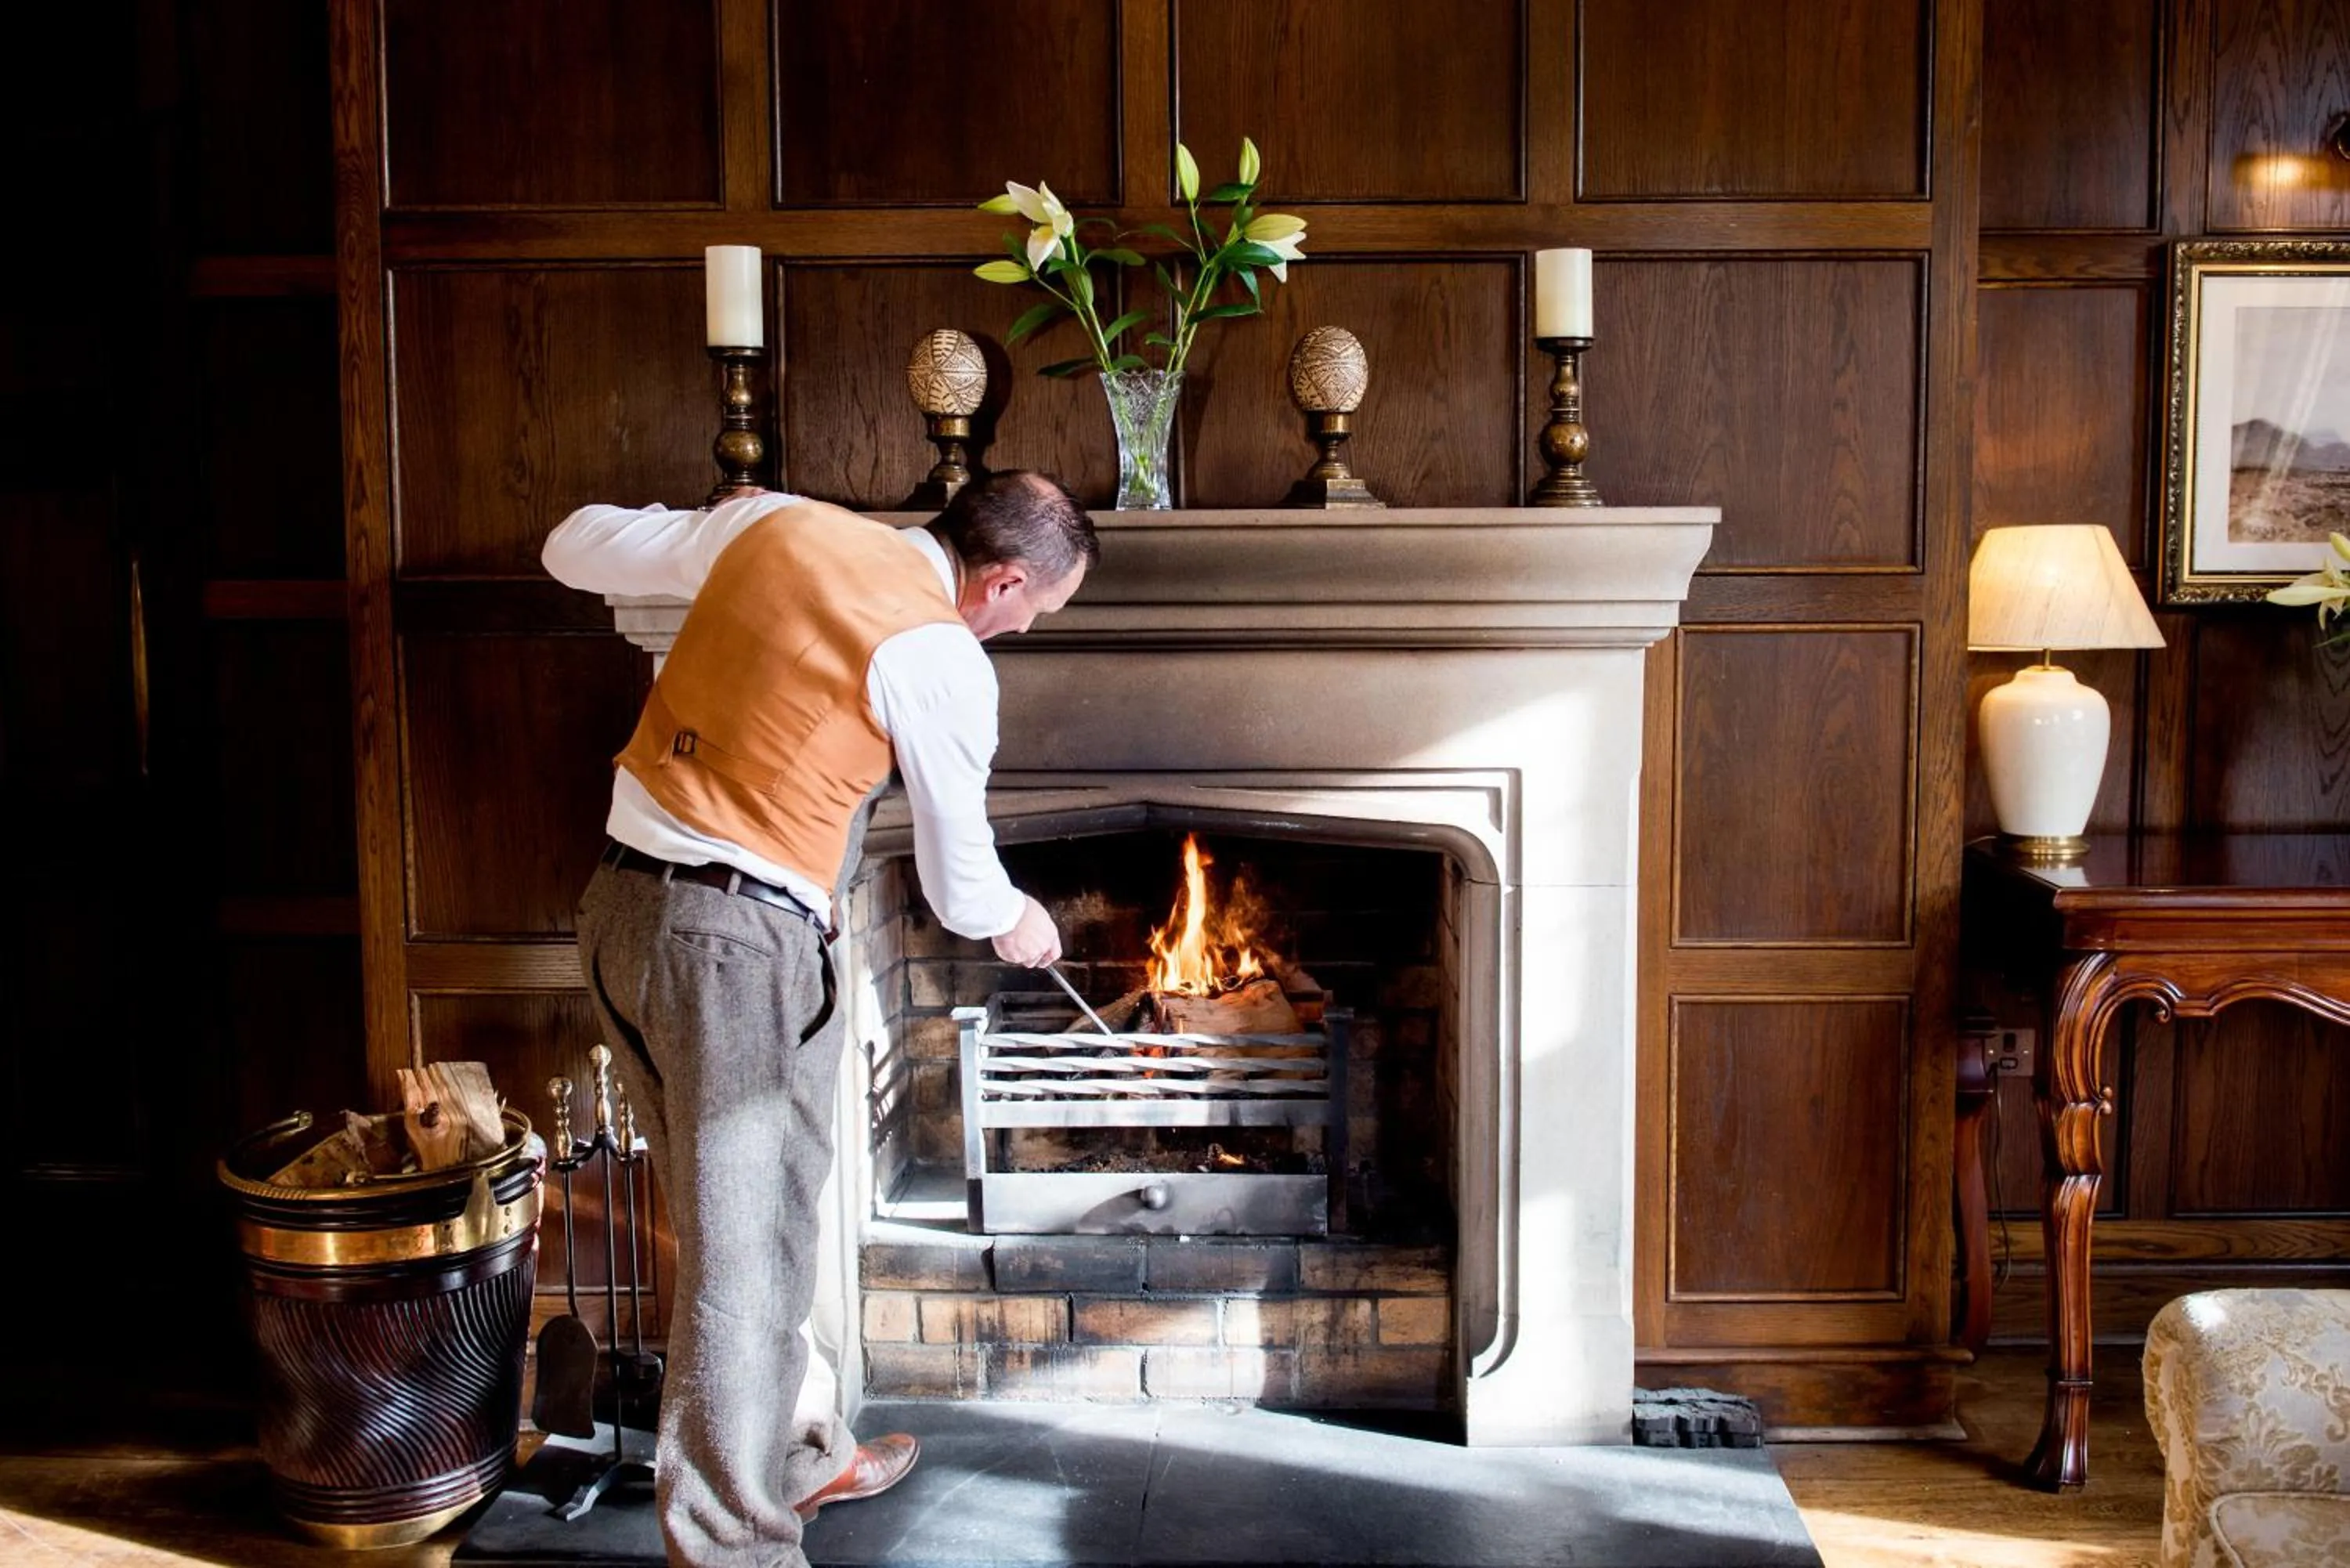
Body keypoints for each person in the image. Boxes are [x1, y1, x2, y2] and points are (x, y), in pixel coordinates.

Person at [543, 471, 1097, 1566]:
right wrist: (1024, 921)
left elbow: (573, 542)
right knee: (741, 1253)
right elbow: (960, 889)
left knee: (770, 1214)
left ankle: (796, 1453)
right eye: (1035, 613)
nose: (1023, 630)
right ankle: (732, 1542)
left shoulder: (777, 524)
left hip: (625, 914)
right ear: (1003, 580)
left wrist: (721, 518)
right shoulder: (939, 656)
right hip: (729, 949)